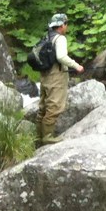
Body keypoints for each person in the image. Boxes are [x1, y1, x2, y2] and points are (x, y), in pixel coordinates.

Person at [37, 12, 84, 145]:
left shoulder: (47, 36)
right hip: (56, 77)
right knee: (55, 106)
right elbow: (61, 57)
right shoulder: (60, 38)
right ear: (61, 25)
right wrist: (77, 66)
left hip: (44, 76)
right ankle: (47, 137)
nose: (66, 26)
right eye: (66, 23)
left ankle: (38, 137)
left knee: (43, 106)